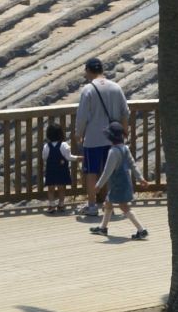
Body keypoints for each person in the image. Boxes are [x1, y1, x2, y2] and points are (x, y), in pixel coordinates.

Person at [75, 57, 128, 218]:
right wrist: (125, 132)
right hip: (113, 138)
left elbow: (82, 116)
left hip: (93, 138)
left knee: (91, 172)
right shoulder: (116, 87)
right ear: (102, 70)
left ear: (88, 71)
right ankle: (109, 205)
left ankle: (92, 206)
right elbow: (125, 112)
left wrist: (79, 134)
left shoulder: (88, 90)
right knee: (111, 172)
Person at [89, 123, 148, 240]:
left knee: (124, 207)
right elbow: (133, 165)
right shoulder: (125, 148)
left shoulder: (113, 152)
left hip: (117, 184)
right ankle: (103, 228)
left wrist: (99, 185)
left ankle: (141, 229)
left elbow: (107, 171)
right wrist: (140, 178)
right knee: (108, 203)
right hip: (125, 182)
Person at [40, 122, 74, 214]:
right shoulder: (64, 145)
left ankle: (51, 205)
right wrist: (77, 158)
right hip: (62, 170)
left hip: (51, 170)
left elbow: (44, 157)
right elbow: (69, 157)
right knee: (62, 188)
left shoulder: (46, 146)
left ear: (48, 135)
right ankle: (61, 205)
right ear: (61, 134)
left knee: (50, 189)